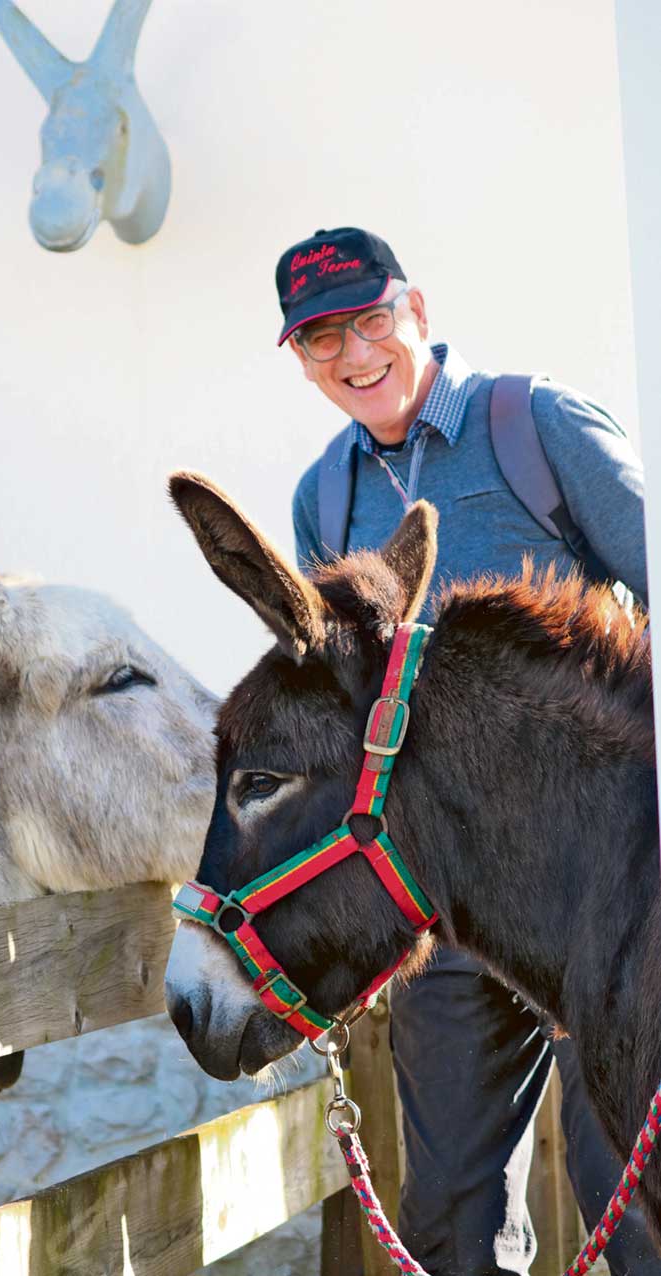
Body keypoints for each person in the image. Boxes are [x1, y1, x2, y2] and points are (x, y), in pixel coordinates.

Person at [278, 225, 654, 1276]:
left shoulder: (535, 424)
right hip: (444, 913)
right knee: (447, 1217)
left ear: (419, 313)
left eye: (368, 320)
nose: (353, 355)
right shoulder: (324, 498)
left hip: (600, 902)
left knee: (627, 1197)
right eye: (319, 338)